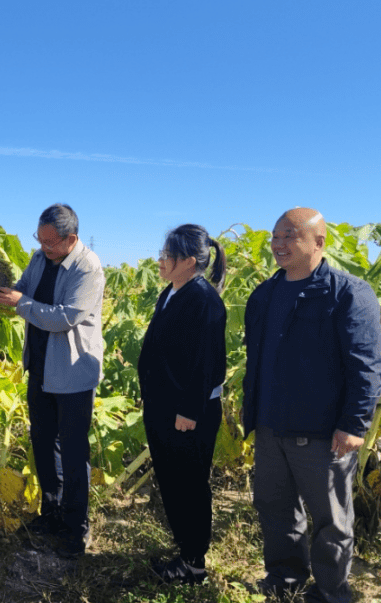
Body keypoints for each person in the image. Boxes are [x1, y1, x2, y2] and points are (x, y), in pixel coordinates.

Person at [243, 208, 381, 603]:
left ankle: (329, 593)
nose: (278, 244)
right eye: (275, 236)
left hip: (322, 432)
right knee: (275, 508)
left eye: (289, 236)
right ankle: (284, 581)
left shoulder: (348, 293)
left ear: (318, 242)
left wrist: (354, 424)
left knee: (330, 520)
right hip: (270, 425)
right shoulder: (264, 294)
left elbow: (366, 363)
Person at [0, 203, 105, 559]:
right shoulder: (40, 259)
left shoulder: (88, 267)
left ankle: (76, 528)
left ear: (71, 239)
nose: (44, 247)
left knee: (73, 451)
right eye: (40, 240)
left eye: (51, 242)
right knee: (43, 444)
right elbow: (23, 289)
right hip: (40, 367)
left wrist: (21, 303)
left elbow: (65, 317)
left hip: (72, 372)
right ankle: (51, 512)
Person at [136, 224, 227, 584]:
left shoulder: (204, 300)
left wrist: (189, 411)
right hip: (164, 407)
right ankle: (185, 551)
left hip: (187, 413)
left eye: (167, 255)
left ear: (189, 261)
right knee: (172, 481)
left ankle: (193, 562)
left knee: (189, 485)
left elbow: (207, 363)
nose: (160, 260)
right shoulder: (172, 292)